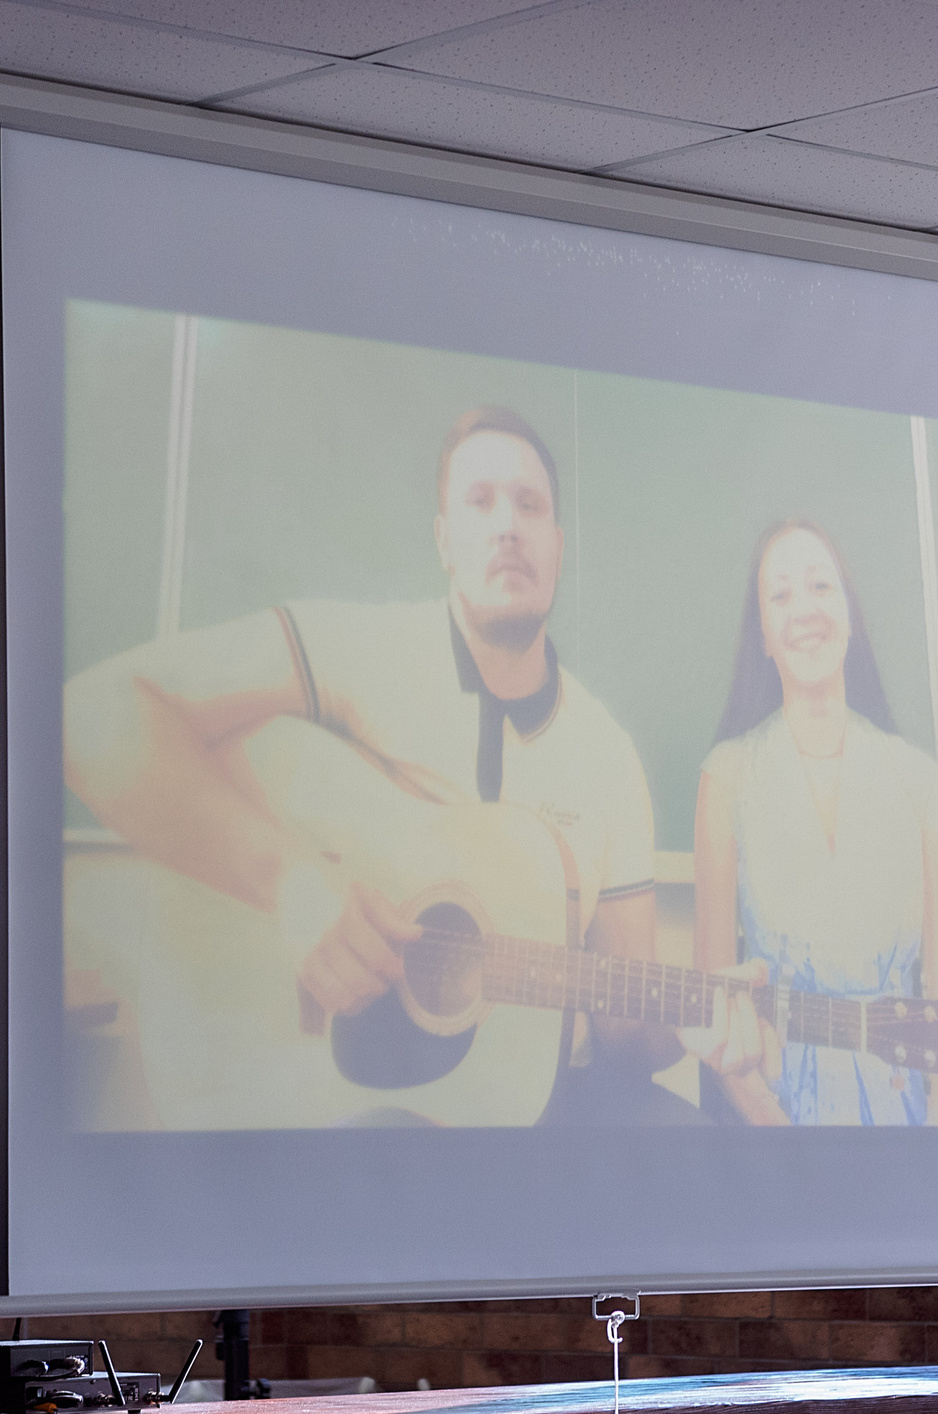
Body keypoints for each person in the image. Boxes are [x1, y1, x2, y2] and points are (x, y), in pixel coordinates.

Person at [64, 405, 696, 1124]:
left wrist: (704, 1020)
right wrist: (294, 882)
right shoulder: (357, 652)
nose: (508, 525)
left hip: (538, 1108)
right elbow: (91, 716)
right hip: (348, 1110)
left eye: (530, 505)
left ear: (558, 544)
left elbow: (624, 1031)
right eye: (480, 501)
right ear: (444, 539)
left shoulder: (606, 754)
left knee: (694, 1143)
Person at [682, 519, 938, 1125]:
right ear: (763, 634)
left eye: (820, 587)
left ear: (849, 613)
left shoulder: (921, 780)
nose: (804, 609)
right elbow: (716, 1007)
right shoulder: (725, 778)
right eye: (780, 595)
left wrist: (934, 1152)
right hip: (775, 1121)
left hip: (904, 1121)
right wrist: (782, 1141)